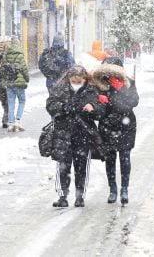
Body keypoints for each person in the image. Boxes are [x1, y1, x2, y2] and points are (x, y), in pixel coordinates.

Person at [46, 65, 105, 208]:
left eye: (79, 80)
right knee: (63, 166)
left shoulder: (91, 90)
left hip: (83, 134)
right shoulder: (60, 88)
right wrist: (63, 108)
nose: (76, 82)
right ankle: (62, 196)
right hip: (63, 133)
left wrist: (93, 108)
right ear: (69, 77)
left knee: (82, 167)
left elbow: (101, 111)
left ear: (85, 78)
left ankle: (80, 197)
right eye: (74, 80)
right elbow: (50, 105)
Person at [92, 56, 140, 205]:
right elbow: (98, 108)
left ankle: (124, 189)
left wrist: (119, 91)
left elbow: (132, 103)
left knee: (125, 157)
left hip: (126, 126)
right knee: (110, 159)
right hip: (107, 126)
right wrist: (100, 102)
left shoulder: (128, 82)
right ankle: (112, 189)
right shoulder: (100, 84)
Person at [1, 37, 30, 132]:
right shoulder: (20, 54)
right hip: (19, 82)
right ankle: (17, 120)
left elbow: (2, 70)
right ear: (18, 44)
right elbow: (24, 69)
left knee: (11, 102)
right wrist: (27, 78)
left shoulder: (5, 55)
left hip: (9, 83)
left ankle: (10, 123)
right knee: (22, 101)